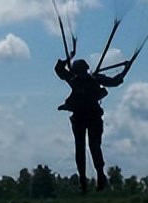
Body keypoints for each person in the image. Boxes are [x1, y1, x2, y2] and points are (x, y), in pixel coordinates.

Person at [54, 57, 126, 193]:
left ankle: (91, 179)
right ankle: (91, 178)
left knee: (86, 148)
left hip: (85, 118)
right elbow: (115, 82)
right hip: (89, 118)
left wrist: (67, 58)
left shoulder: (75, 79)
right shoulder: (89, 79)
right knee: (90, 147)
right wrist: (125, 70)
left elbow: (59, 70)